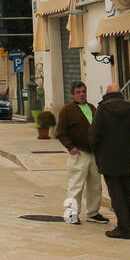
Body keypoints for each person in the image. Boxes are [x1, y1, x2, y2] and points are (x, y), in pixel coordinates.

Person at [89, 83, 130, 239]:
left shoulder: (102, 111)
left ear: (106, 94)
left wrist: (97, 150)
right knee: (127, 191)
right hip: (125, 156)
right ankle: (129, 224)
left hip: (107, 157)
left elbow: (94, 135)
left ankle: (123, 228)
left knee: (116, 194)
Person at [54, 81, 106, 225]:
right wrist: (70, 147)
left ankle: (93, 212)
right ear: (72, 94)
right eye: (78, 92)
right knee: (76, 185)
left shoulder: (92, 108)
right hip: (78, 152)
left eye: (83, 91)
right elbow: (60, 132)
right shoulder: (67, 110)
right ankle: (72, 213)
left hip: (93, 152)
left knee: (95, 184)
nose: (82, 94)